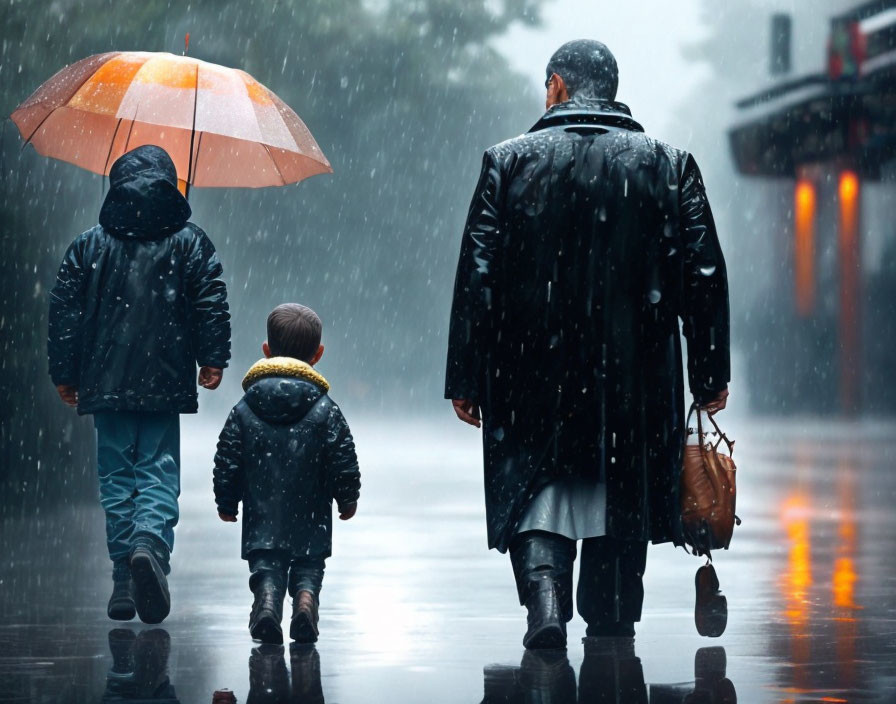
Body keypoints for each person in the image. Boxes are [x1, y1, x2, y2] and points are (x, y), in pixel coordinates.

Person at [445, 39, 730, 649]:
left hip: (530, 369)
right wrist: (708, 373)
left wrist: (466, 374)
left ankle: (545, 599)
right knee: (622, 485)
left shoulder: (507, 161)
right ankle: (614, 612)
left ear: (555, 85)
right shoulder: (668, 163)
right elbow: (703, 275)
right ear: (612, 88)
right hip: (635, 372)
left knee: (537, 479)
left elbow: (478, 274)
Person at [48, 145, 230, 624]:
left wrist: (65, 372)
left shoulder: (88, 245)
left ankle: (123, 579)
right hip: (165, 379)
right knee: (156, 469)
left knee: (115, 477)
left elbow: (64, 310)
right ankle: (149, 544)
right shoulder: (190, 242)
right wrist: (212, 359)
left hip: (104, 381)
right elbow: (210, 297)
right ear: (171, 187)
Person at [213, 303, 360, 645]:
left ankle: (267, 601)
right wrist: (347, 497)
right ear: (318, 354)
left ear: (266, 351)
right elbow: (343, 456)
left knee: (267, 563)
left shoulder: (245, 407)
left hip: (263, 513)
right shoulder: (325, 409)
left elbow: (228, 456)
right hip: (311, 513)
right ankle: (306, 601)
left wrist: (226, 500)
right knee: (309, 564)